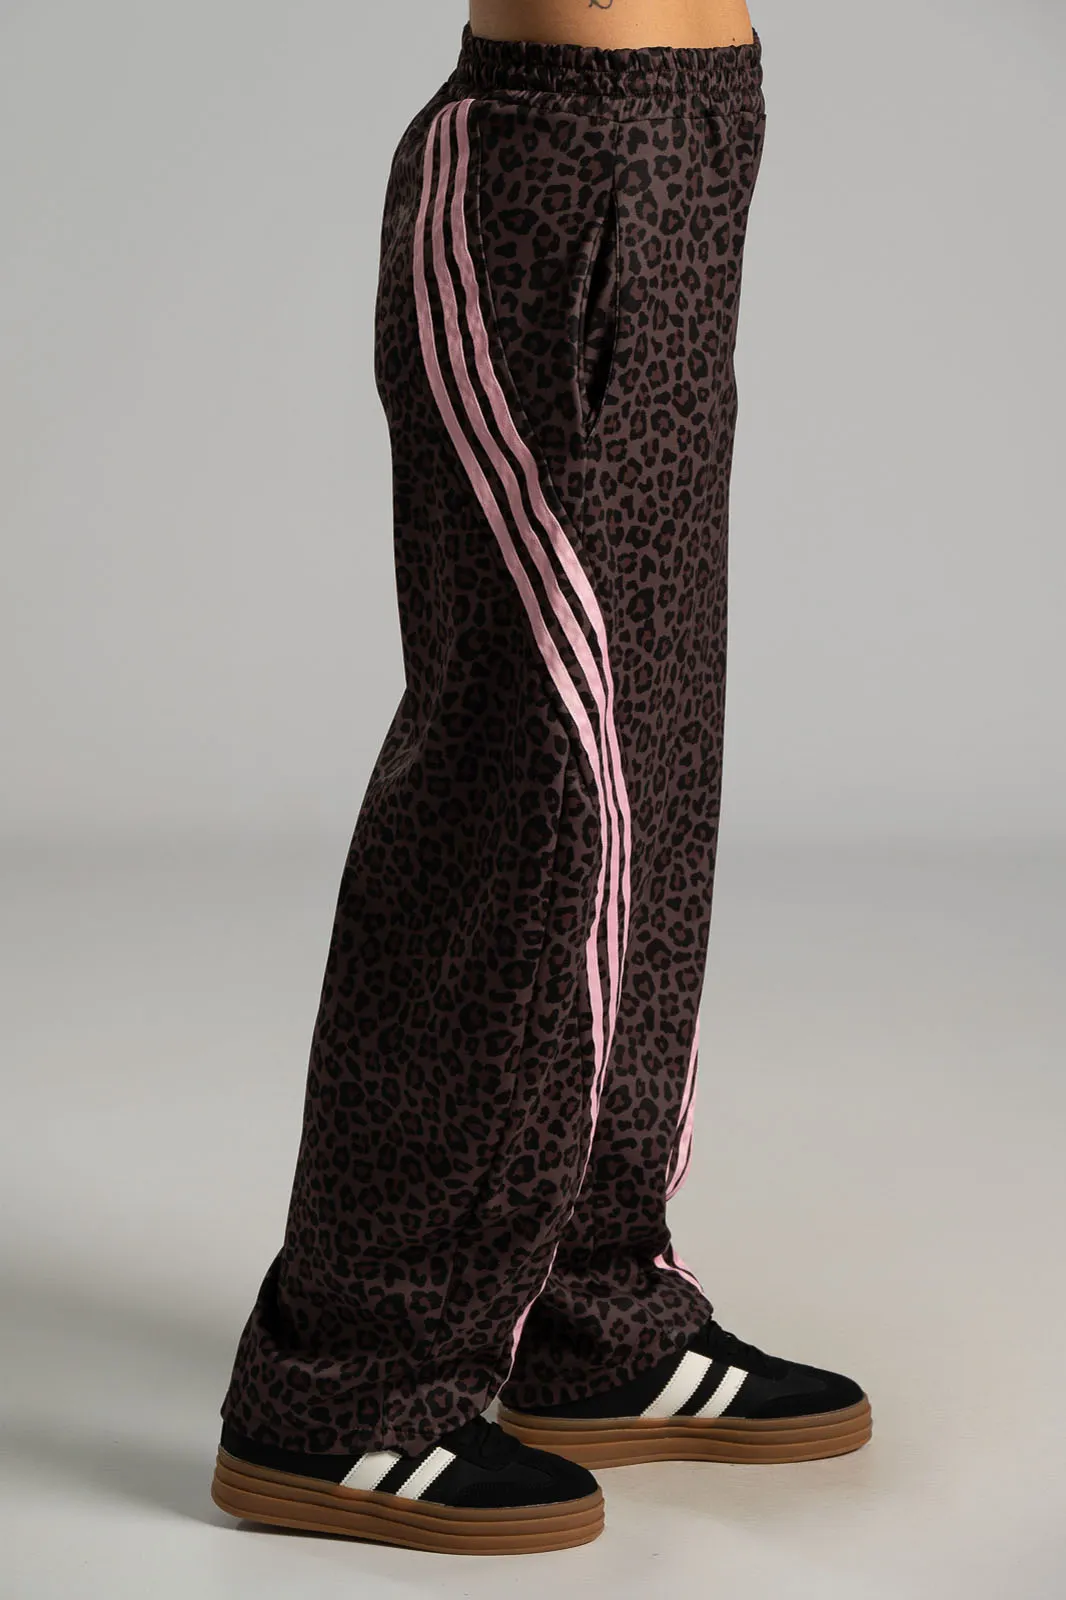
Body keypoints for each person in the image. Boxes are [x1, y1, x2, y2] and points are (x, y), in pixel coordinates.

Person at [211, 0, 870, 1556]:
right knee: (527, 782)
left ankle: (583, 1301)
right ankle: (346, 1380)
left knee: (648, 766)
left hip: (689, 135)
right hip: (556, 153)